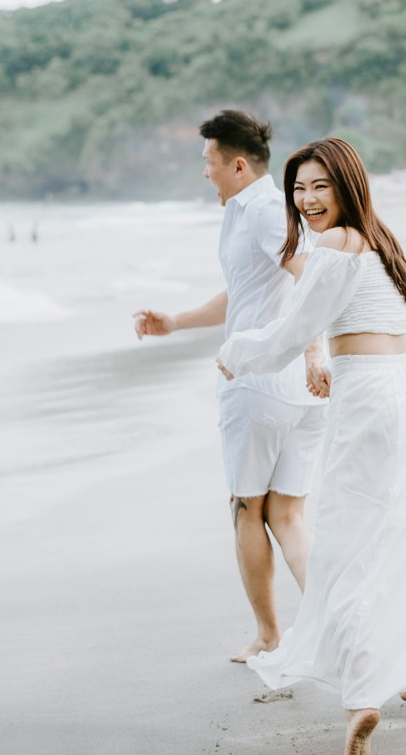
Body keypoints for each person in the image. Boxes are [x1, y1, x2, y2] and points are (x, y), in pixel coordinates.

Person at [216, 137, 406, 755]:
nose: (308, 201)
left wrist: (236, 352)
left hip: (372, 397)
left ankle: (365, 696)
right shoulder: (379, 240)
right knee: (404, 532)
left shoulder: (334, 244)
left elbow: (289, 332)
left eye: (320, 187)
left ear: (345, 185)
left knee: (351, 541)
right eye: (298, 190)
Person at [134, 111, 329, 662]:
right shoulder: (256, 212)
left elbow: (307, 273)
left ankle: (270, 636)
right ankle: (344, 633)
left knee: (248, 509)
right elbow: (244, 290)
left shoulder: (263, 211)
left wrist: (313, 351)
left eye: (209, 163)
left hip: (262, 385)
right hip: (299, 391)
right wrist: (173, 322)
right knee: (287, 517)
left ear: (238, 165)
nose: (205, 174)